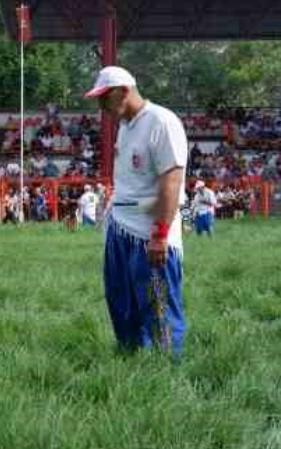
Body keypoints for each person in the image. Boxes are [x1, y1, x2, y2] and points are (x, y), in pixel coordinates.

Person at [85, 66, 187, 356]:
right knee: (121, 300)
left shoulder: (162, 122)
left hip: (148, 232)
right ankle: (131, 357)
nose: (101, 105)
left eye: (105, 97)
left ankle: (167, 365)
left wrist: (160, 234)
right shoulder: (126, 126)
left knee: (158, 304)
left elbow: (172, 180)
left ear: (124, 90)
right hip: (120, 227)